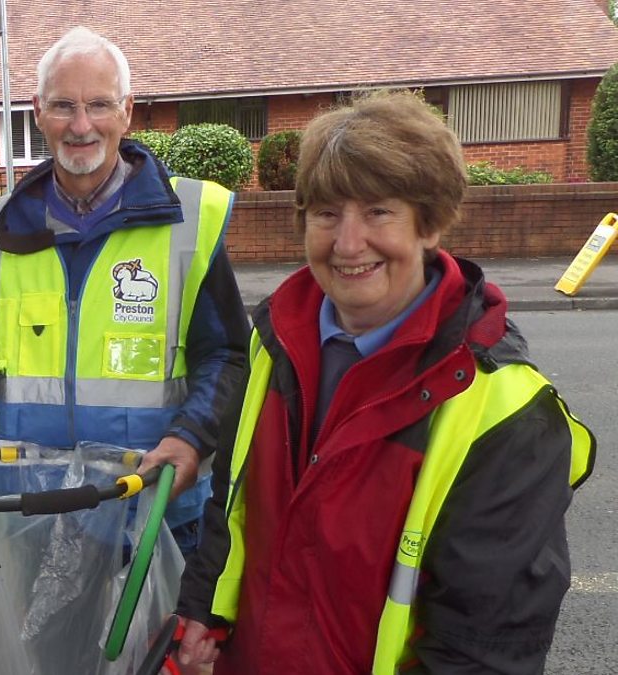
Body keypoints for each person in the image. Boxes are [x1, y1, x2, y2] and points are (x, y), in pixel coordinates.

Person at [172, 91, 596, 674]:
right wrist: (202, 609)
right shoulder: (271, 341)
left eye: (377, 211)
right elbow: (231, 499)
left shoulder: (507, 411)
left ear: (431, 222)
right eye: (325, 213)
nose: (347, 243)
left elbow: (484, 651)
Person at [0, 26, 250, 551]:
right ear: (38, 112)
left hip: (153, 512)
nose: (82, 125)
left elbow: (227, 356)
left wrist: (190, 437)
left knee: (149, 639)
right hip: (30, 517)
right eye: (64, 105)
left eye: (98, 104)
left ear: (127, 111)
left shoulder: (191, 218)